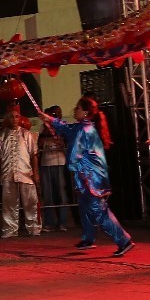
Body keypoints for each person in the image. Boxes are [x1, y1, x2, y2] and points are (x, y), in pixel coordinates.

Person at [41, 98, 133, 256]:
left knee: (98, 209)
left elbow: (74, 153)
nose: (74, 110)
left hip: (91, 177)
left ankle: (124, 240)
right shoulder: (82, 127)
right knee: (85, 206)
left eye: (77, 108)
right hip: (86, 175)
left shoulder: (83, 130)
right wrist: (50, 119)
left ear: (85, 112)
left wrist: (70, 165)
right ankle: (88, 238)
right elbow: (67, 128)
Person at [0, 111, 40, 238]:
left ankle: (33, 227)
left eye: (16, 116)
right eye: (11, 116)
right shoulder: (2, 135)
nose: (14, 119)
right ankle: (10, 229)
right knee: (9, 203)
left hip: (25, 173)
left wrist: (35, 173)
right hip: (7, 173)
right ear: (7, 118)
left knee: (30, 201)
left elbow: (34, 154)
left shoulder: (26, 134)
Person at [37, 105, 70, 232]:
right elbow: (39, 143)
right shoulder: (43, 127)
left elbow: (65, 141)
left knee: (61, 192)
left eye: (57, 114)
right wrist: (46, 131)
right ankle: (49, 222)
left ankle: (62, 222)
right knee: (48, 194)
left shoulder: (62, 126)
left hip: (60, 162)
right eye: (53, 114)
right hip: (46, 163)